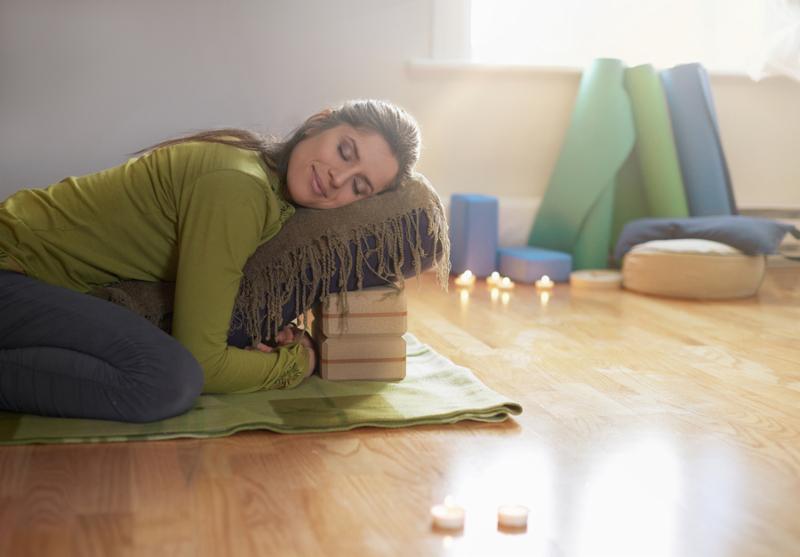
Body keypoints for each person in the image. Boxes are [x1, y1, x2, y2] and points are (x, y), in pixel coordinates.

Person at [0, 99, 421, 423]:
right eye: (345, 152)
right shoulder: (239, 187)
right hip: (11, 266)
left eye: (359, 186)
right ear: (319, 121)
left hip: (28, 280)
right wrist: (297, 363)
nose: (337, 180)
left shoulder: (268, 187)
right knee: (169, 379)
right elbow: (203, 360)